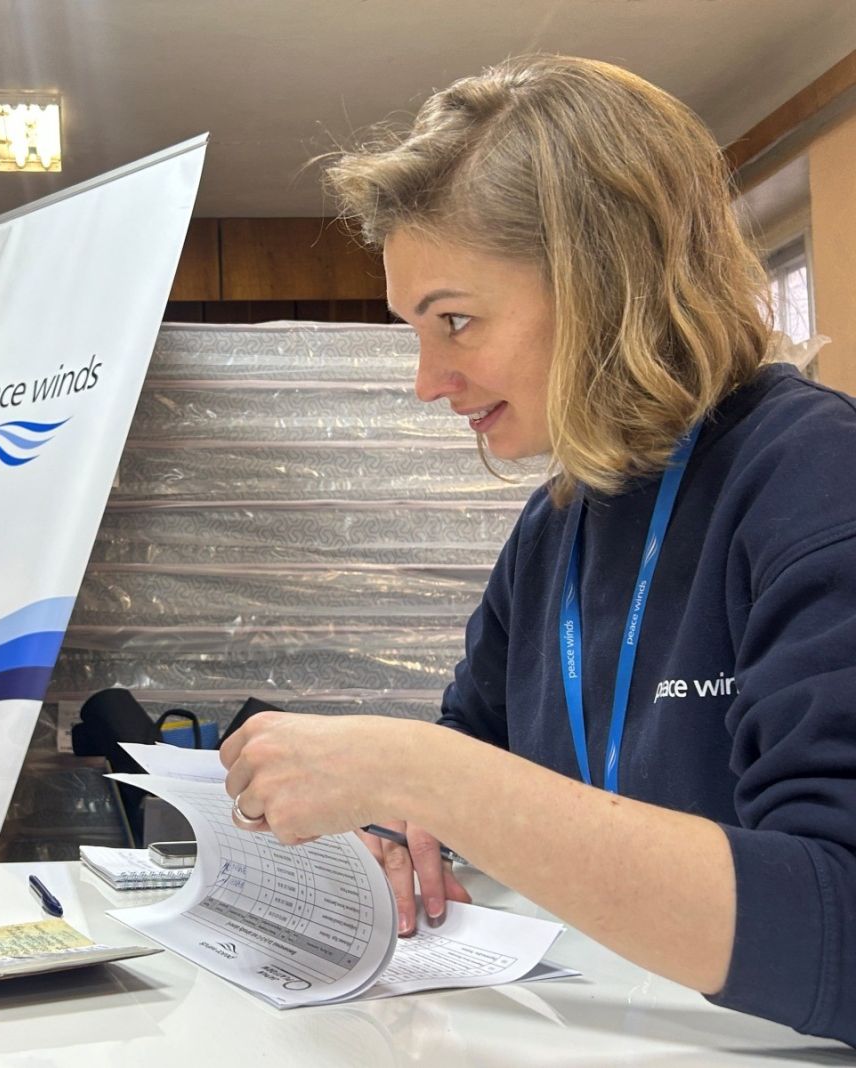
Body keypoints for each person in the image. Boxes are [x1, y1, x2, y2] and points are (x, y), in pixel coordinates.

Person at [219, 55, 855, 1045]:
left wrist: (420, 772)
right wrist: (394, 826)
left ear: (607, 286)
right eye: (415, 331)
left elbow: (837, 926)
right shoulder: (553, 527)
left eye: (455, 321)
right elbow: (475, 764)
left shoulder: (814, 477)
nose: (426, 381)